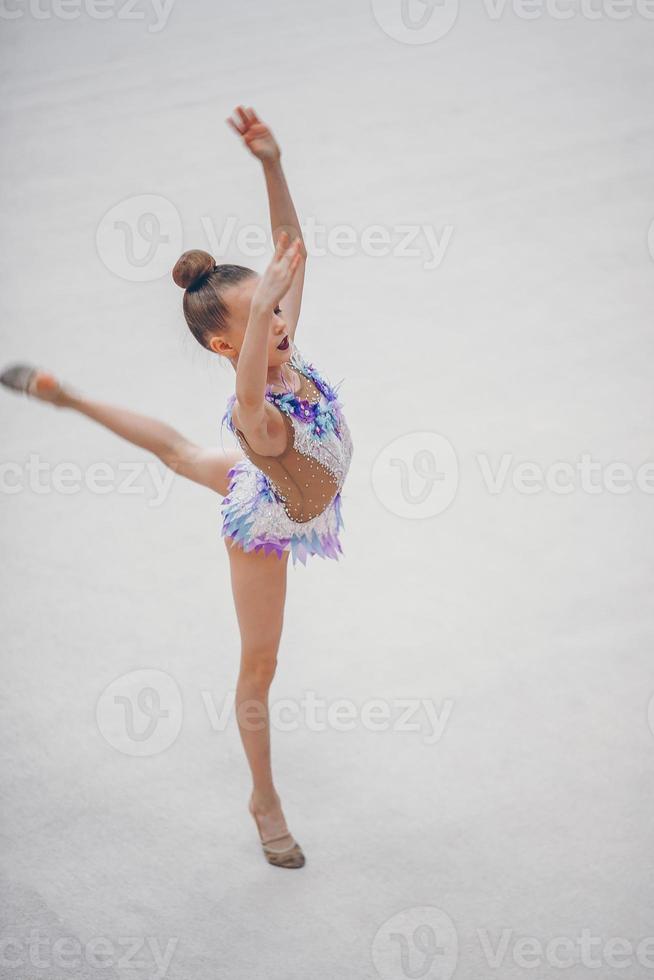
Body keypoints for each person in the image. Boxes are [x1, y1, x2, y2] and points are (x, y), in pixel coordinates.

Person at [1, 105, 354, 870]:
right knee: (259, 664)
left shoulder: (281, 339)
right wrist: (261, 311)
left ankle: (70, 398)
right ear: (227, 344)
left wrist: (270, 162)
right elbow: (256, 404)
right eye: (264, 316)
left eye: (275, 303)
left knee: (176, 454)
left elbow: (292, 249)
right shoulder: (253, 412)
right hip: (269, 518)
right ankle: (264, 798)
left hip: (282, 482)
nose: (283, 319)